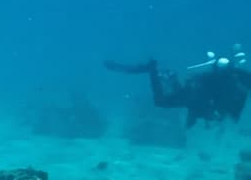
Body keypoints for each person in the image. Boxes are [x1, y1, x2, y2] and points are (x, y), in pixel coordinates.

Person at [105, 52, 251, 126]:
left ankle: (159, 73)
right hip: (197, 98)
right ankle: (157, 72)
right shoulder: (235, 81)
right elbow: (205, 103)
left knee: (162, 101)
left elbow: (197, 84)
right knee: (162, 102)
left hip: (194, 95)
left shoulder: (231, 80)